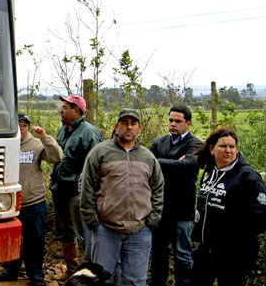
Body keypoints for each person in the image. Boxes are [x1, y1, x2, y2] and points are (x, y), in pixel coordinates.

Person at [80, 108, 164, 286]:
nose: (129, 127)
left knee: (135, 281)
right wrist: (92, 220)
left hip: (140, 231)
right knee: (101, 279)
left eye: (133, 123)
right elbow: (87, 185)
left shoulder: (148, 157)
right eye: (124, 123)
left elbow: (158, 188)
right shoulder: (100, 152)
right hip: (106, 229)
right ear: (117, 126)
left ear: (139, 128)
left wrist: (153, 219)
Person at [191, 128, 266, 286]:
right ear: (212, 149)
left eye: (232, 146)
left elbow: (261, 216)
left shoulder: (248, 176)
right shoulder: (209, 172)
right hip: (207, 249)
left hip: (234, 254)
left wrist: (234, 238)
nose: (228, 150)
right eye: (223, 146)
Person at [0, 113, 63, 286]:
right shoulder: (5, 143)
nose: (22, 128)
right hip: (9, 203)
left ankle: (36, 275)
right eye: (18, 125)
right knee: (11, 239)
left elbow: (56, 157)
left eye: (25, 125)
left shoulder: (36, 145)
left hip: (34, 201)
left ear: (28, 127)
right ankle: (11, 270)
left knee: (35, 240)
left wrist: (45, 138)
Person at [49, 94, 103, 280]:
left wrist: (87, 191)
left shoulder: (90, 133)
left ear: (76, 111)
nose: (61, 111)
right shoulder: (63, 130)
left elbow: (94, 166)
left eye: (65, 107)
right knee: (65, 232)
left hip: (77, 192)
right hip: (59, 188)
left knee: (83, 234)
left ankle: (87, 275)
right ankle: (71, 269)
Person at [148, 105, 203, 286]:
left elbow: (188, 166)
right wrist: (174, 164)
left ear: (187, 123)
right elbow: (147, 165)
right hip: (159, 207)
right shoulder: (159, 142)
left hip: (182, 208)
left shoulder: (195, 144)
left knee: (182, 253)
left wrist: (159, 164)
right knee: (158, 252)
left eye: (178, 121)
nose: (173, 124)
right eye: (171, 120)